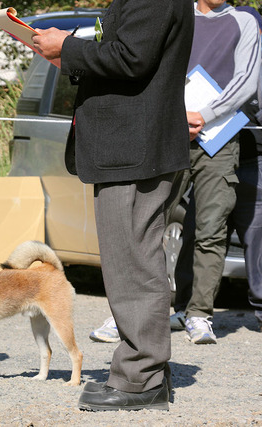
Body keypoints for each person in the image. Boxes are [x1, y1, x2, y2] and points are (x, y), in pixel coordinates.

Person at [31, 0, 194, 412]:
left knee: (131, 264)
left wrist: (67, 47)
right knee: (133, 261)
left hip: (134, 148)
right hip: (130, 147)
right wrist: (67, 54)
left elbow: (131, 57)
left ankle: (141, 377)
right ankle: (147, 371)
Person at [89, 1, 262, 344]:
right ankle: (126, 314)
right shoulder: (171, 11)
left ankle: (197, 314)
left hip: (220, 137)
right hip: (167, 131)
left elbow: (247, 81)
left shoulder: (243, 21)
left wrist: (205, 114)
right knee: (148, 224)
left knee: (211, 227)